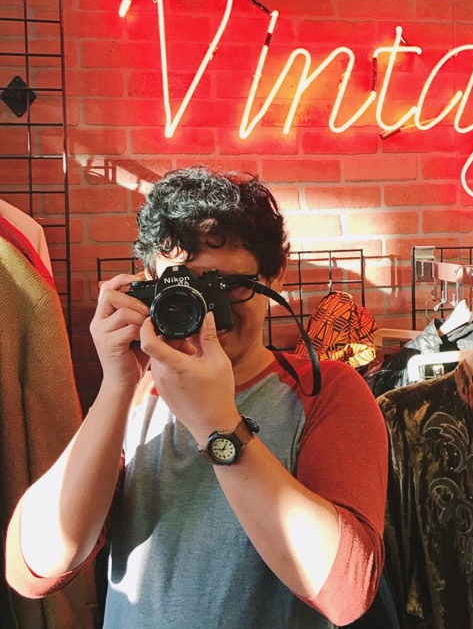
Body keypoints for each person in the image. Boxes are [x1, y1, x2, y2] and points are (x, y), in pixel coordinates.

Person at [5, 167, 388, 628]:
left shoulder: (327, 391)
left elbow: (346, 593)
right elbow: (35, 568)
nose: (209, 311)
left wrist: (215, 421)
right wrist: (117, 385)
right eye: (188, 288)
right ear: (148, 283)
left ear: (276, 275)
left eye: (230, 286)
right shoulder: (133, 398)